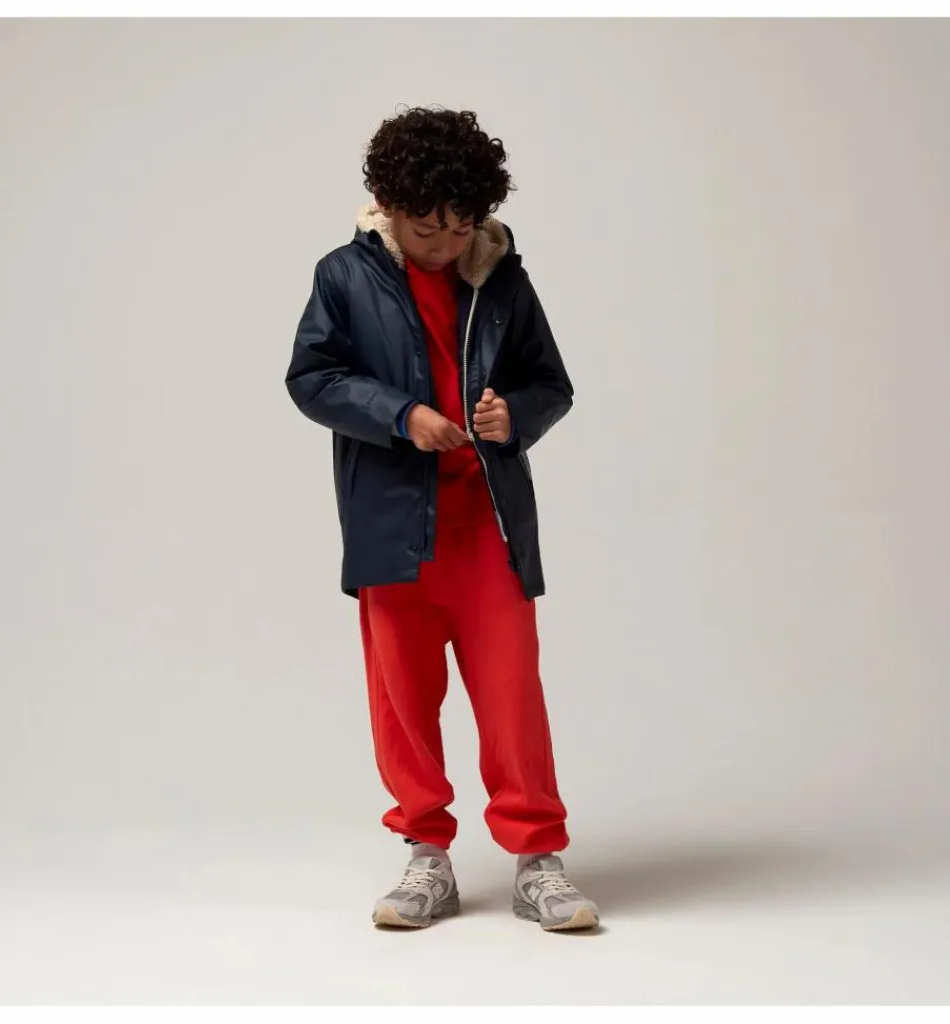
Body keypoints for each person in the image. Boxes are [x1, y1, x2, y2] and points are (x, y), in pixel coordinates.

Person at [285, 106, 599, 932]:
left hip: (490, 525)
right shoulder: (343, 276)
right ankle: (427, 856)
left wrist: (514, 416)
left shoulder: (502, 278)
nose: (446, 244)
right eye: (427, 229)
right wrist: (401, 416)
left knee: (512, 698)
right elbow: (312, 378)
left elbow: (551, 384)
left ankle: (538, 860)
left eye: (461, 227)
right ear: (388, 206)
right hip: (391, 528)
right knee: (404, 701)